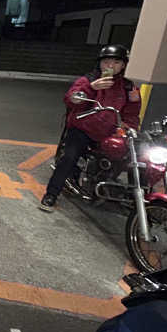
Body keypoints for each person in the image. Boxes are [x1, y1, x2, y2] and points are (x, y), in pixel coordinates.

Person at [38, 44, 141, 213]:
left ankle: (136, 200)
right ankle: (51, 194)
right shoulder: (87, 80)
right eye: (106, 62)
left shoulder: (130, 88)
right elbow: (71, 99)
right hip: (83, 129)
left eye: (116, 62)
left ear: (123, 65)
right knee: (69, 158)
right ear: (100, 63)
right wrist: (92, 88)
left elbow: (133, 113)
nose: (110, 66)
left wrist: (128, 127)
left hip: (111, 133)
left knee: (134, 158)